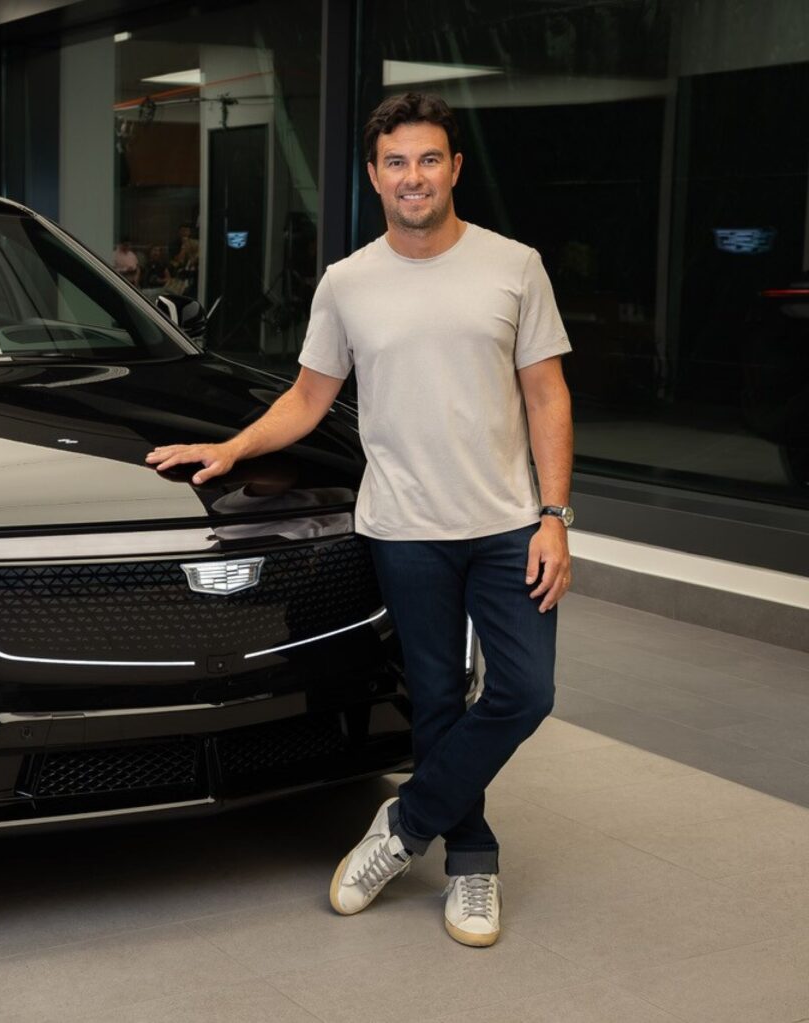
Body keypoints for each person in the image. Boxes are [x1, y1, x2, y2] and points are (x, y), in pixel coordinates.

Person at [145, 91, 573, 949]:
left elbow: (546, 394)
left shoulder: (514, 265)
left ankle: (404, 825)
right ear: (374, 176)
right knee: (436, 699)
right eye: (396, 162)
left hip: (505, 524)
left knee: (527, 691)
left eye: (428, 159)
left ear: (454, 168)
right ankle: (472, 859)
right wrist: (231, 447)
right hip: (404, 527)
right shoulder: (348, 281)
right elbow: (309, 398)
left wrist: (555, 514)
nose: (413, 177)